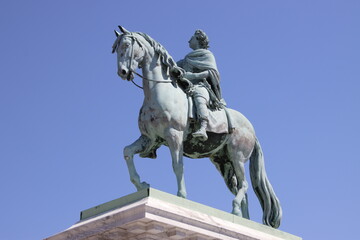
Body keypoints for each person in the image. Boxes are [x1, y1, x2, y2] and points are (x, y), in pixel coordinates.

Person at [174, 30, 224, 141]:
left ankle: (203, 127)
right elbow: (173, 67)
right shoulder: (186, 59)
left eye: (191, 38)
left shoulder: (207, 55)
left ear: (198, 40)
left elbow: (212, 72)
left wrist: (193, 76)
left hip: (201, 85)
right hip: (185, 86)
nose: (189, 40)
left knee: (199, 95)